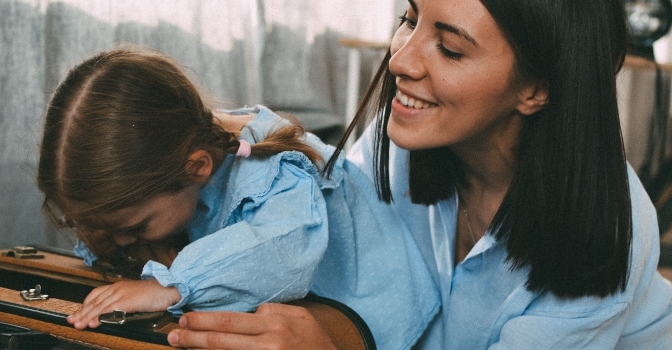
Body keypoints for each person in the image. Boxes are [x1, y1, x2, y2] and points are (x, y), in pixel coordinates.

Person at [166, 0, 672, 349]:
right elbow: (341, 254)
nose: (401, 59)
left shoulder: (604, 230)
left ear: (536, 89)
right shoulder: (404, 141)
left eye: (450, 49)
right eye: (410, 19)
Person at [36, 47, 440, 349]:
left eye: (135, 227)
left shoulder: (276, 171)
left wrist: (173, 286)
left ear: (197, 168)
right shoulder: (184, 143)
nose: (125, 239)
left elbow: (284, 252)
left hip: (378, 314)